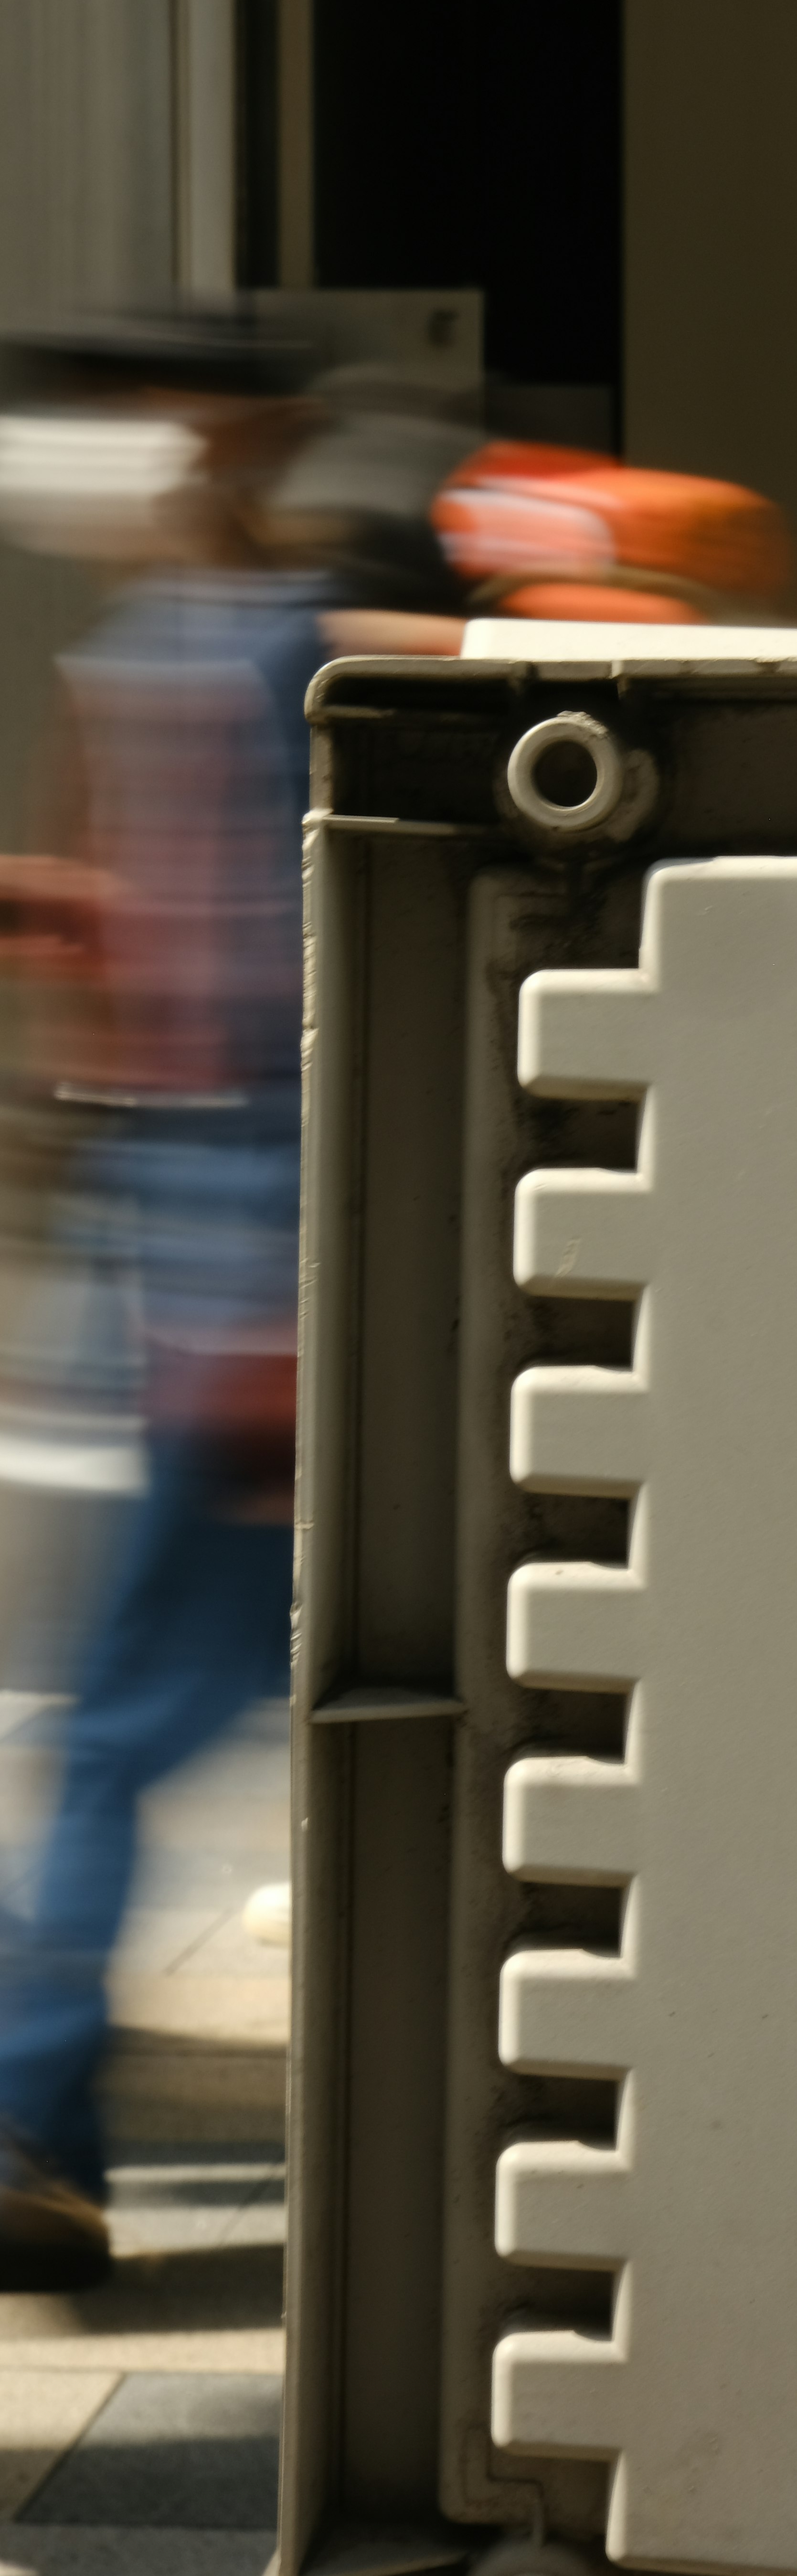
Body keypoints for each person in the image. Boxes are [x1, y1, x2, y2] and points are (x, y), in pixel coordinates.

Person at [0, 309, 327, 2286]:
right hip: (176, 1282)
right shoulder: (149, 656)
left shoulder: (267, 653)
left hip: (239, 1293)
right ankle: (39, 2119)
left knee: (124, 1728)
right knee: (132, 1724)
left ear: (209, 435)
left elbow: (271, 1008)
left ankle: (35, 2120)